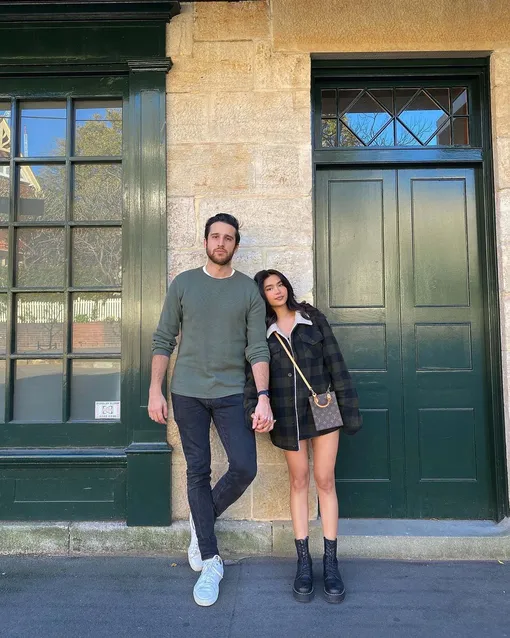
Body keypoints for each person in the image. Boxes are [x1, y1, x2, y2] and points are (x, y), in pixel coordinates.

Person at [149, 213, 274, 607]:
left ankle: (200, 517)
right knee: (197, 470)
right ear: (205, 242)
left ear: (236, 244)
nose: (221, 243)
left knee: (245, 466)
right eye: (215, 236)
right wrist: (155, 391)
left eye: (228, 238)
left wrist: (264, 396)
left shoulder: (248, 290)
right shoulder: (184, 283)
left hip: (232, 393)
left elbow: (257, 348)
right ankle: (210, 560)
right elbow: (163, 338)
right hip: (187, 393)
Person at [245, 269, 362, 604]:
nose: (277, 290)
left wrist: (349, 411)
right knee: (298, 481)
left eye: (280, 284)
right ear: (262, 295)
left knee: (325, 480)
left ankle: (331, 564)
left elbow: (336, 364)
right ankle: (303, 564)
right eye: (269, 288)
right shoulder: (261, 332)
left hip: (322, 408)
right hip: (287, 414)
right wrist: (253, 410)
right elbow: (251, 377)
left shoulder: (312, 318)